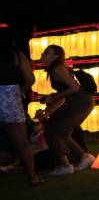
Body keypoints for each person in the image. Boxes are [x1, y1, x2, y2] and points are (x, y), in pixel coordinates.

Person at [40, 45, 95, 175]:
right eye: (44, 52)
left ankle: (65, 166)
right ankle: (84, 157)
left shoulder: (57, 69)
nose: (43, 55)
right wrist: (48, 111)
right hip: (82, 102)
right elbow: (64, 94)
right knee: (63, 133)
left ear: (56, 56)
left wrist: (53, 97)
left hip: (79, 103)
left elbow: (74, 88)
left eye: (47, 53)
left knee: (52, 132)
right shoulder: (58, 68)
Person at [0, 26, 44, 185]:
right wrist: (21, 90)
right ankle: (33, 177)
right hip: (10, 98)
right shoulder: (17, 56)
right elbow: (30, 79)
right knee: (22, 142)